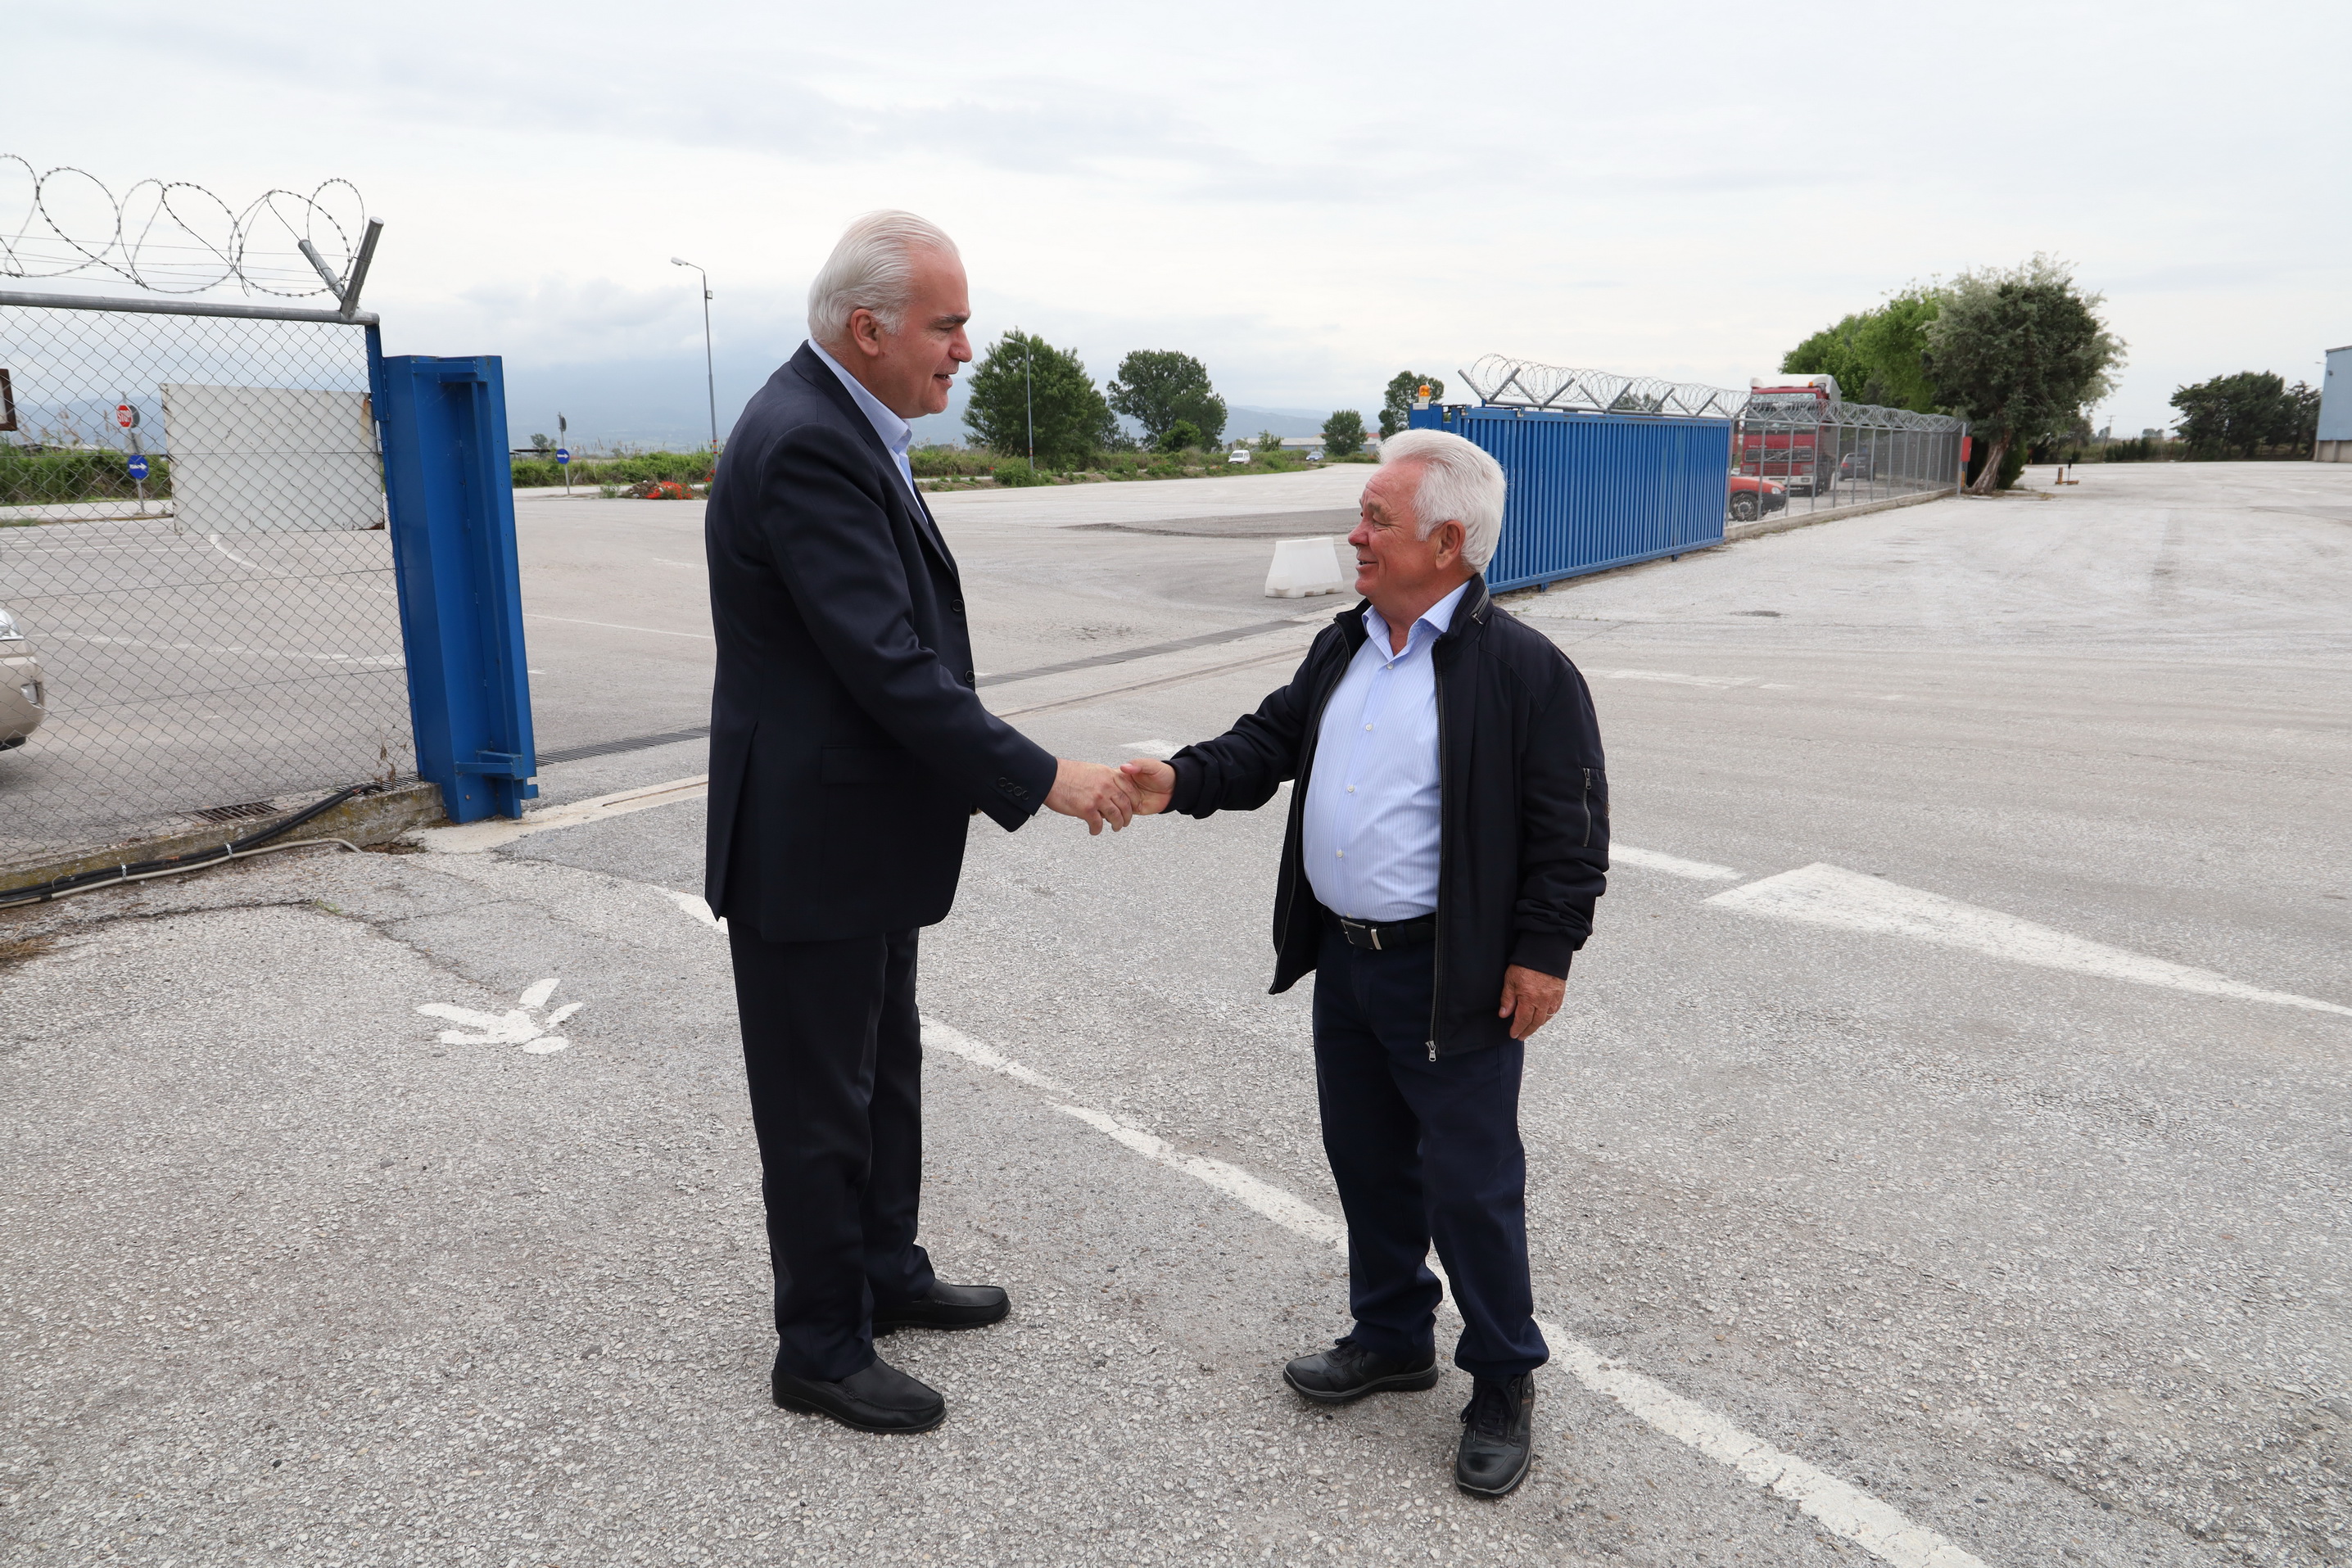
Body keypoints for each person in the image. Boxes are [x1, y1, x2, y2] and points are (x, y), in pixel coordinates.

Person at [703, 210, 1136, 1435]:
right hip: (808, 844)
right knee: (818, 1104)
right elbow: (887, 661)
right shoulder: (807, 441)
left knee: (883, 1070)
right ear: (868, 329)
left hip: (861, 833)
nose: (965, 350)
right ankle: (820, 1345)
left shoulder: (848, 426)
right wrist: (1042, 776)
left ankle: (884, 1271)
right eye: (948, 325)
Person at [1119, 429, 1608, 1497]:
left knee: (1472, 1188)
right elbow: (1267, 743)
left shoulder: (1523, 671)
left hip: (1451, 975)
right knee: (1367, 1161)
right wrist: (1177, 780)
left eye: (1376, 520)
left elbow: (1570, 832)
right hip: (1348, 962)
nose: (1356, 536)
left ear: (1447, 542)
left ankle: (1503, 1379)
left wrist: (1543, 953)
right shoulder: (1345, 644)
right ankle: (1391, 1335)